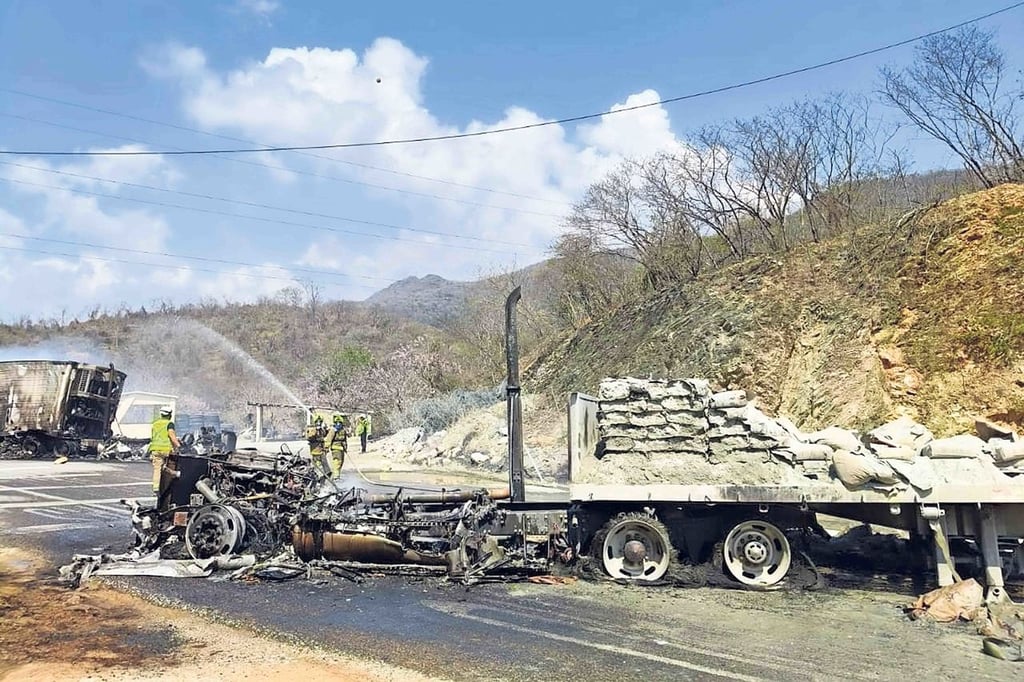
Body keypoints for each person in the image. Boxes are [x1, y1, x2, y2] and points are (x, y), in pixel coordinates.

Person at [149, 407, 181, 495]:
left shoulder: (155, 424)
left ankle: (156, 488)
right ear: (169, 415)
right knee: (166, 467)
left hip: (155, 449)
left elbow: (153, 437)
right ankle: (164, 487)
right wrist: (178, 445)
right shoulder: (169, 424)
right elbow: (172, 436)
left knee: (157, 468)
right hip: (166, 449)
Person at [325, 413, 348, 478]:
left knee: (341, 462)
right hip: (335, 448)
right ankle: (336, 476)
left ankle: (338, 474)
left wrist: (346, 448)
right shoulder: (333, 430)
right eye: (337, 422)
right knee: (337, 462)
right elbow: (329, 439)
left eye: (340, 422)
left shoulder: (343, 430)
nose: (338, 424)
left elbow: (344, 439)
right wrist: (326, 448)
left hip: (341, 448)